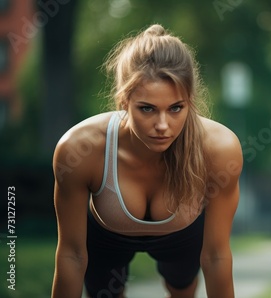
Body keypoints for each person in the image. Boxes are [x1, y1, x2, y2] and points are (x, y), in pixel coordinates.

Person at [51, 24, 242, 298]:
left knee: (183, 290)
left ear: (190, 100)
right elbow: (71, 255)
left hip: (182, 239)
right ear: (124, 101)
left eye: (176, 108)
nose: (163, 125)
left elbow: (215, 257)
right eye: (147, 109)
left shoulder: (219, 149)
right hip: (106, 239)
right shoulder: (80, 148)